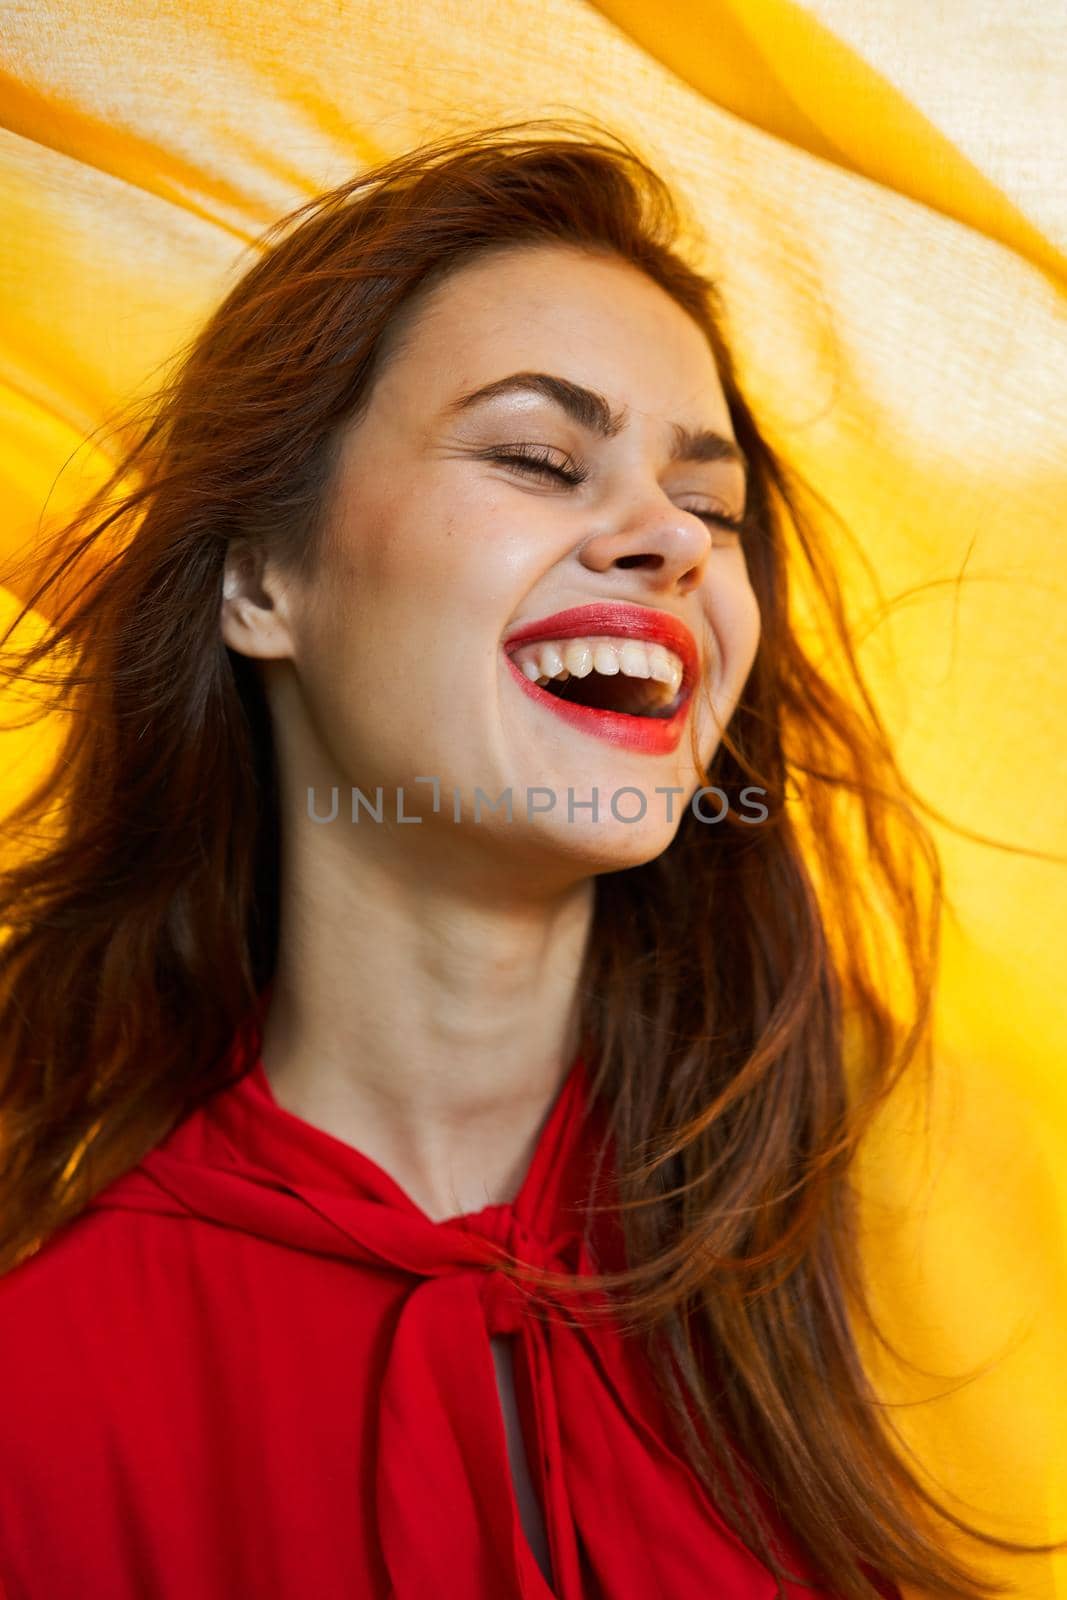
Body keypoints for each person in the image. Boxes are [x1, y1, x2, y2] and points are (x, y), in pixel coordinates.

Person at [0, 118, 1035, 1599]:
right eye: (542, 457)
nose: (667, 540)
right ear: (258, 581)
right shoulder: (34, 1411)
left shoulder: (873, 1258)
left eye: (712, 504)